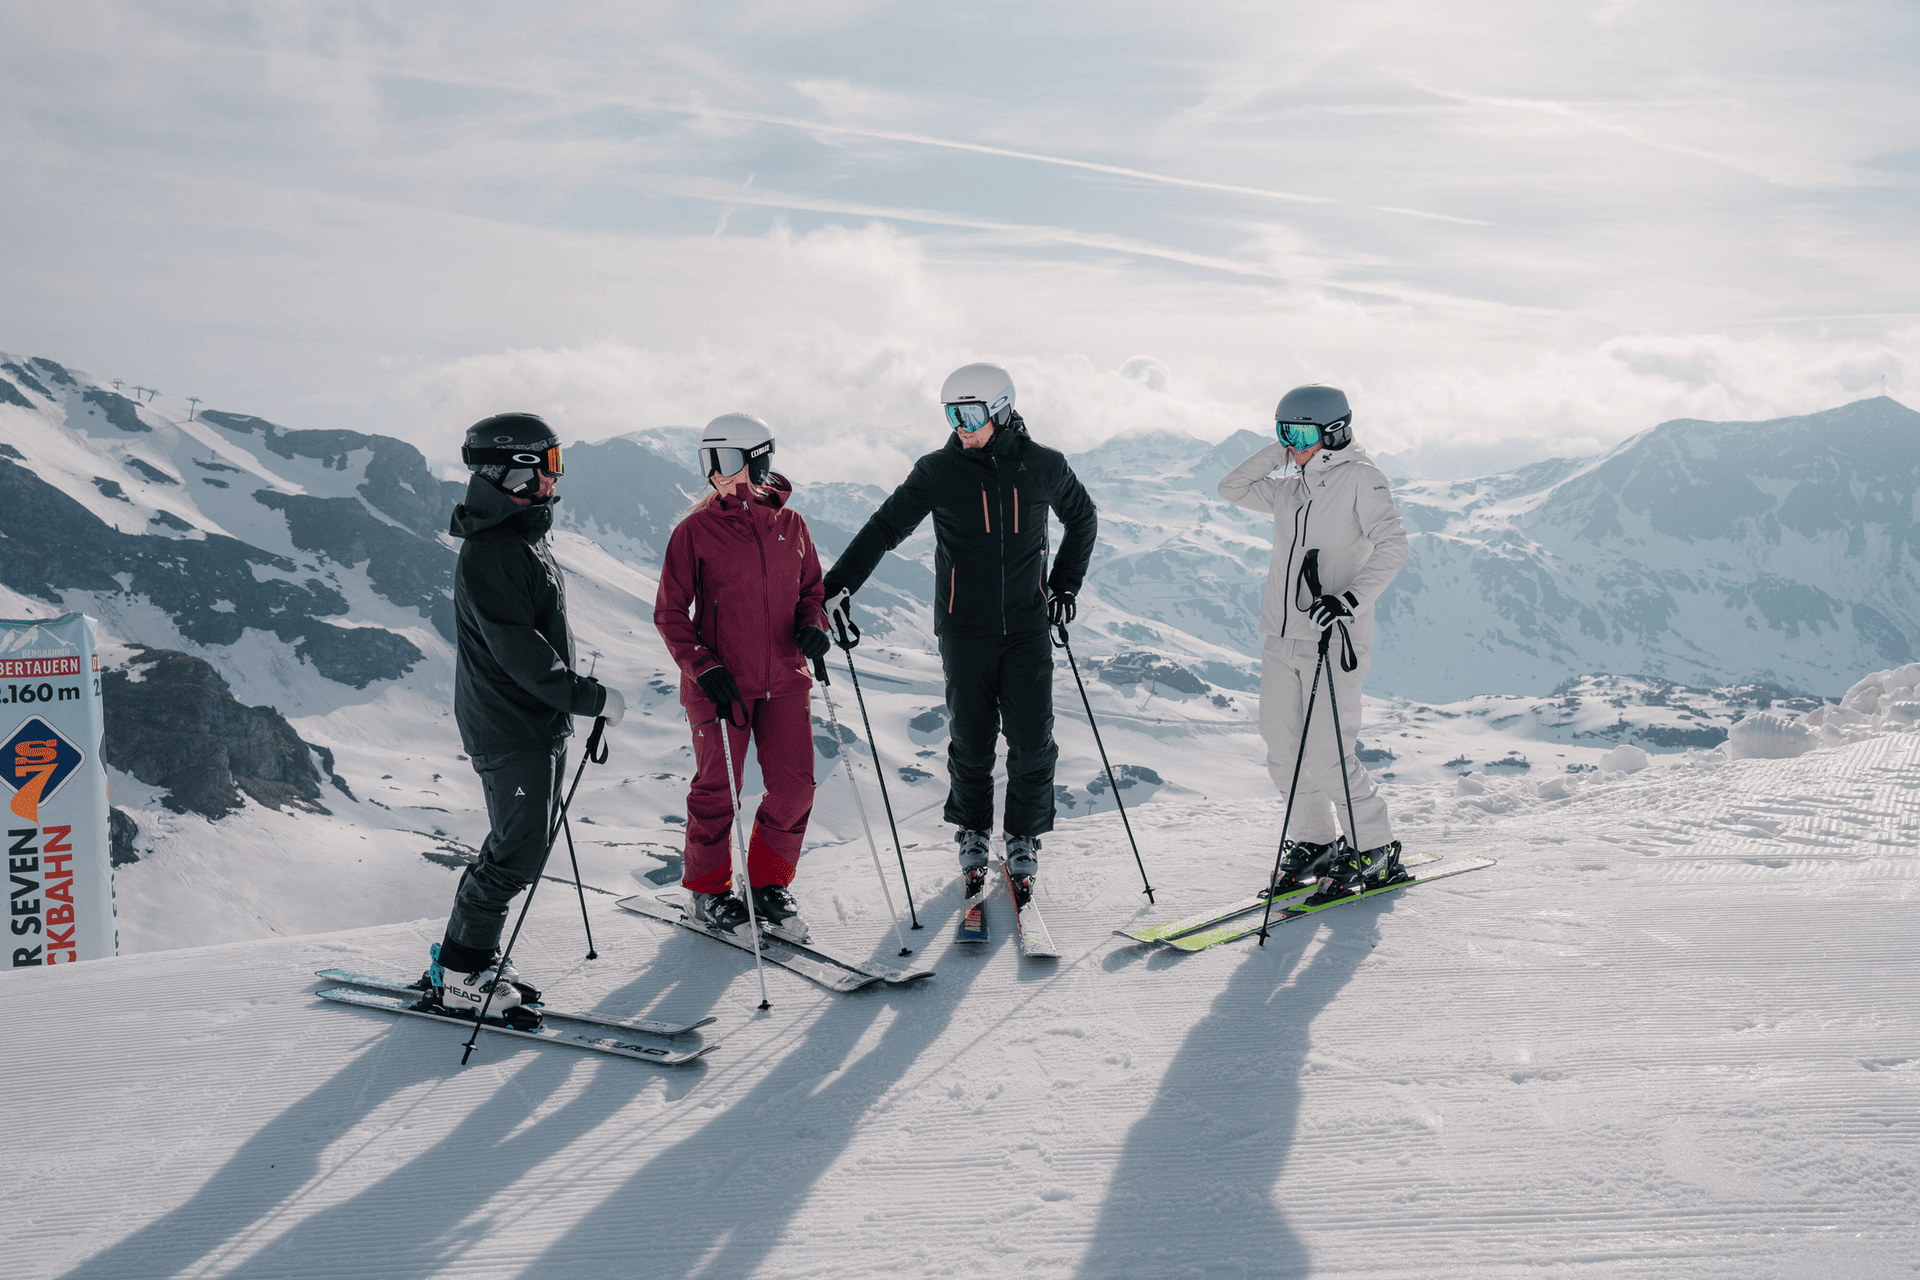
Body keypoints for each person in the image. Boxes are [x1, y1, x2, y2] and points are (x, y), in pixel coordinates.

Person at [821, 363, 1097, 904]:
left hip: (1026, 626)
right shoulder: (938, 470)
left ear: (1001, 409)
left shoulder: (1043, 465)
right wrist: (839, 585)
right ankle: (972, 832)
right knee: (971, 739)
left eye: (969, 415)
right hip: (963, 629)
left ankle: (1022, 837)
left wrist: (1065, 585)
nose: (960, 427)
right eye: (951, 415)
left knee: (1032, 739)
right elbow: (885, 526)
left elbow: (1082, 517)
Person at [431, 412, 626, 1017]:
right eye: (547, 466)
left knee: (519, 845)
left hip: (530, 722)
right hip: (510, 725)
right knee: (517, 853)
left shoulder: (517, 538)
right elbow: (520, 652)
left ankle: (468, 956)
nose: (554, 478)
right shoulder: (493, 552)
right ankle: (462, 973)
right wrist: (586, 697)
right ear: (511, 472)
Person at [1217, 384, 1410, 896]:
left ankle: (1374, 847)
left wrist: (1350, 600)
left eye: (1301, 434)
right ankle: (1315, 840)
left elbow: (1394, 545)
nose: (1292, 443)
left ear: (1335, 432)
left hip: (1333, 636)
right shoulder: (1292, 487)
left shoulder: (1361, 478)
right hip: (1281, 636)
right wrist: (1282, 451)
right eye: (1285, 432)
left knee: (1328, 751)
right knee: (1282, 746)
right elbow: (1231, 488)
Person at [653, 413, 831, 943]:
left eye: (726, 460)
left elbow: (812, 592)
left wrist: (814, 625)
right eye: (708, 462)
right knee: (717, 790)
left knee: (795, 787)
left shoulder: (792, 525)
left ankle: (768, 886)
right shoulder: (694, 532)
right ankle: (707, 893)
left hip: (785, 678)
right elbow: (669, 613)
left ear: (758, 460)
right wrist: (703, 666)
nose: (716, 474)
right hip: (721, 685)